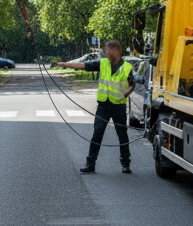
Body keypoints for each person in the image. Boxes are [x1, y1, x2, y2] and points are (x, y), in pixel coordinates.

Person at [53, 41, 134, 174]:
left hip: (119, 106)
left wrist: (125, 94)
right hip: (104, 106)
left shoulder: (126, 67)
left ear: (117, 51)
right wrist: (62, 64)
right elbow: (82, 65)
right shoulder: (103, 63)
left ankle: (126, 164)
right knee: (97, 134)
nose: (106, 52)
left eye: (109, 50)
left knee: (122, 135)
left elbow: (132, 85)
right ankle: (90, 164)